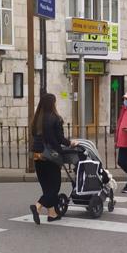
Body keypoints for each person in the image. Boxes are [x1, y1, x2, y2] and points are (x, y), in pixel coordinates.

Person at [29, 93, 78, 224]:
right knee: (55, 186)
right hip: (51, 156)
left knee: (46, 186)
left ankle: (52, 214)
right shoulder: (55, 118)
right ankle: (38, 206)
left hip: (38, 156)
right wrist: (70, 143)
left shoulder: (36, 118)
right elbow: (59, 138)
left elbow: (35, 135)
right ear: (52, 104)